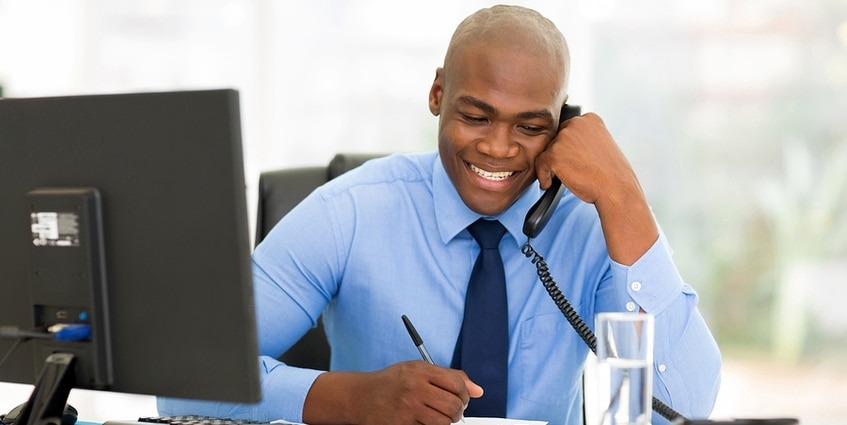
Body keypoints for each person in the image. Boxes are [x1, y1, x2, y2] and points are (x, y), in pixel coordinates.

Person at [159, 5, 721, 425]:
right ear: (437, 93)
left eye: (530, 126)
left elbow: (683, 408)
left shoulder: (595, 227)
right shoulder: (349, 212)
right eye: (476, 116)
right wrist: (353, 398)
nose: (499, 149)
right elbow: (186, 381)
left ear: (562, 122)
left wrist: (625, 197)